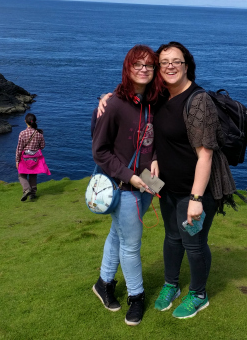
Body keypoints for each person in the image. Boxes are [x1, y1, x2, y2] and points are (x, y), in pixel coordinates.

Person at [98, 41, 236, 319]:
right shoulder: (161, 97)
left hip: (195, 190)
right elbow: (132, 99)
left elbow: (206, 155)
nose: (170, 66)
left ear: (187, 66)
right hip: (166, 186)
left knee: (194, 243)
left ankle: (198, 294)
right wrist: (107, 96)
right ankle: (171, 285)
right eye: (164, 62)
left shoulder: (198, 101)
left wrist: (197, 199)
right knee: (172, 237)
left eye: (177, 61)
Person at [91, 44, 163, 326]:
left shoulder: (154, 102)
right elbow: (100, 151)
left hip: (148, 181)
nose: (144, 69)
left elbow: (156, 139)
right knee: (131, 244)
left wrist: (155, 158)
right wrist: (128, 176)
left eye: (149, 65)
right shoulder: (113, 104)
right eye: (138, 64)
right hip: (124, 184)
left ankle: (103, 282)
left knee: (118, 233)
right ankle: (137, 296)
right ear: (128, 68)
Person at [16, 113, 47, 201]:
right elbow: (42, 146)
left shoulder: (22, 133)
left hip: (24, 158)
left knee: (21, 175)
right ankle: (32, 193)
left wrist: (17, 160)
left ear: (25, 121)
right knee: (33, 175)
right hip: (35, 158)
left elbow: (19, 148)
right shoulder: (39, 134)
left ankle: (26, 189)